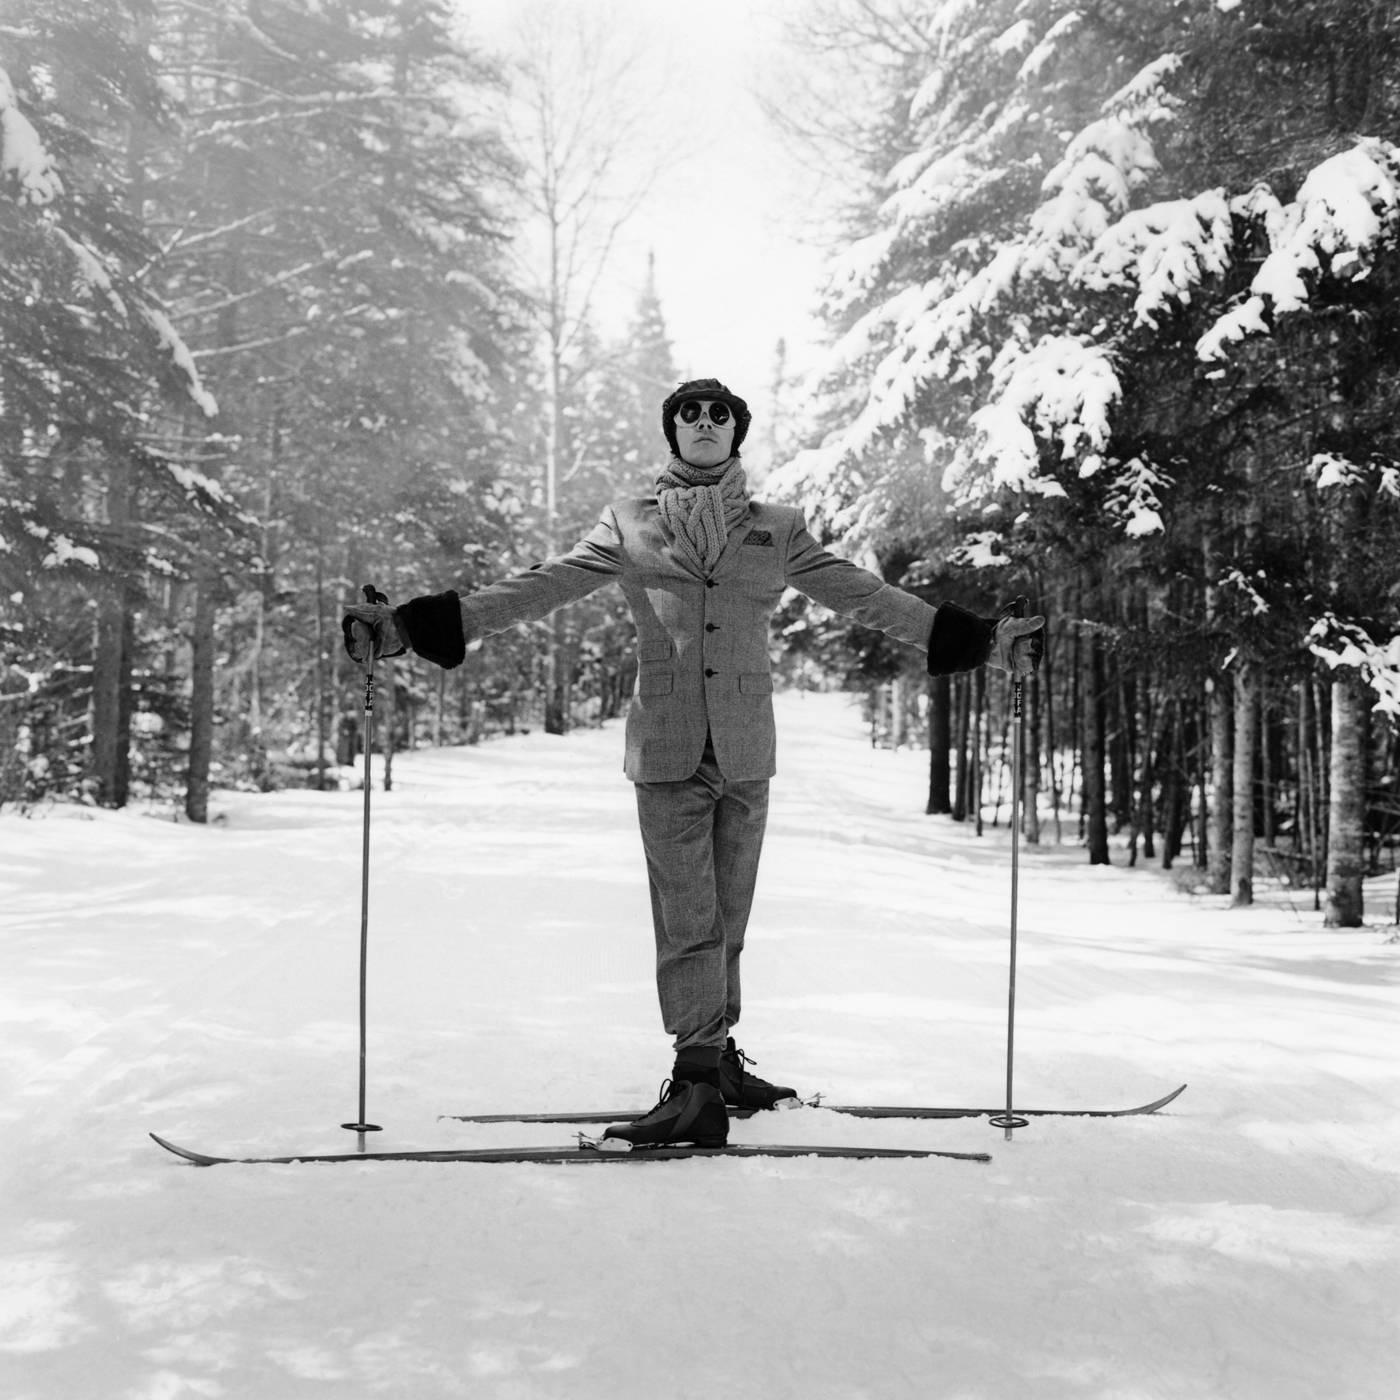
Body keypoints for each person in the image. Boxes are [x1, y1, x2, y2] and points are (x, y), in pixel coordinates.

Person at [344, 377, 1045, 1147]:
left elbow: (862, 595)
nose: (704, 423)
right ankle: (697, 1080)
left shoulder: (776, 529)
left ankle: (715, 1059)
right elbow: (538, 588)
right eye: (689, 414)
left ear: (736, 433)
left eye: (719, 415)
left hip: (746, 751)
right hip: (668, 749)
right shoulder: (630, 526)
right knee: (688, 921)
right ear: (672, 433)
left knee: (728, 920)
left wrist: (977, 637)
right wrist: (411, 628)